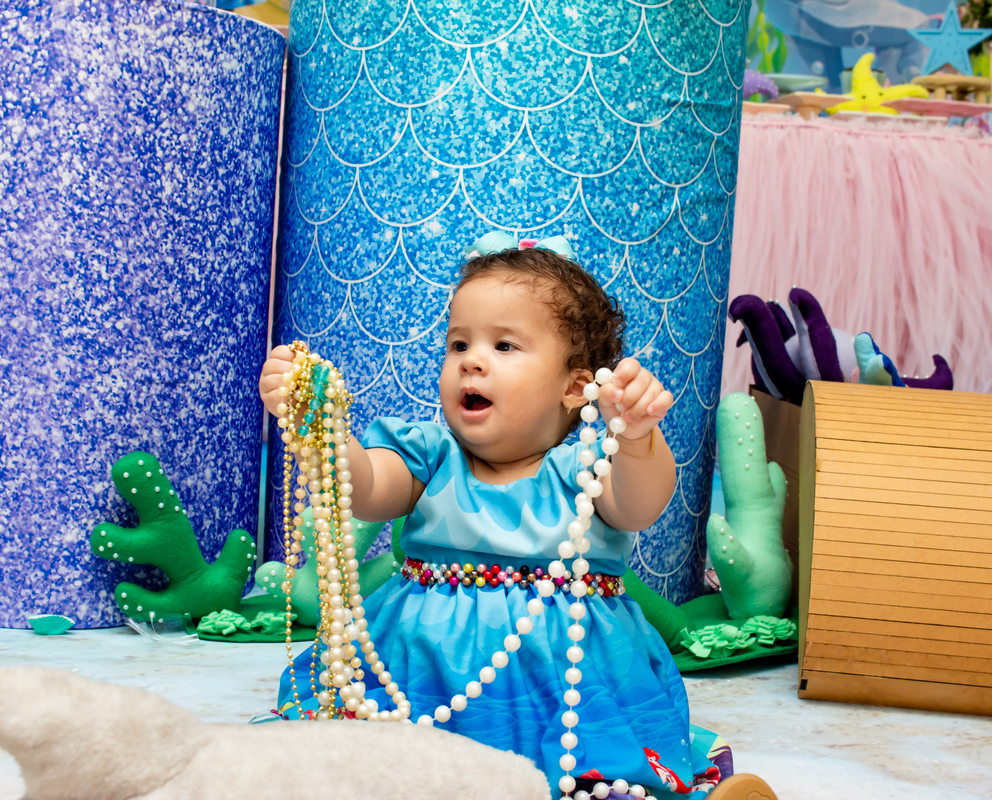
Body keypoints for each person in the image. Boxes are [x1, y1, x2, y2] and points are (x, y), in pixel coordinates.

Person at [259, 239, 725, 799]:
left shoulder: (589, 467)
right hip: (424, 669)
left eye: (504, 345)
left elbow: (640, 504)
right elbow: (368, 487)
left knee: (588, 770)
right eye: (459, 343)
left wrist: (636, 436)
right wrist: (323, 427)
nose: (471, 360)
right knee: (377, 764)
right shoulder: (430, 457)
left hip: (565, 677)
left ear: (576, 388)